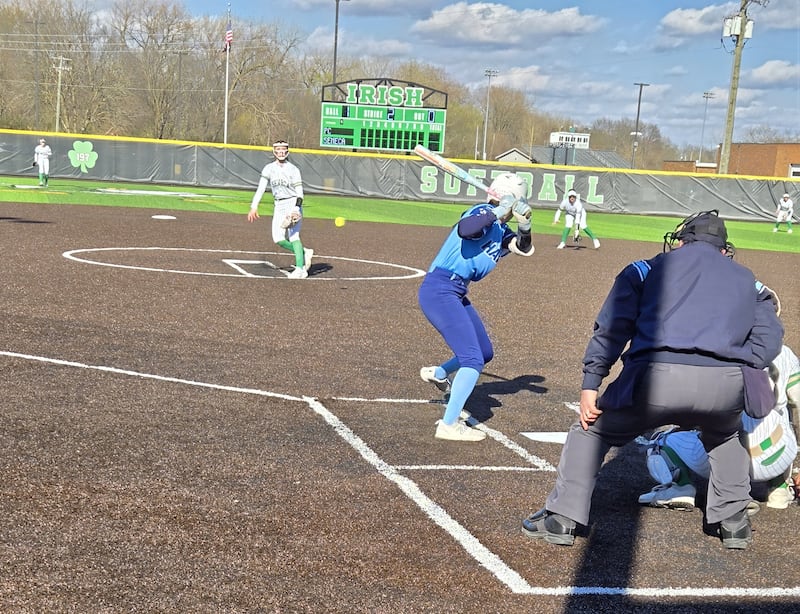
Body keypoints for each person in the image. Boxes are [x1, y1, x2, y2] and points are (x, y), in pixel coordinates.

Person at [522, 210, 784, 549]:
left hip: (655, 380)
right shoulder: (750, 281)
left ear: (680, 241)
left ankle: (562, 518)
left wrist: (591, 383)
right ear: (724, 250)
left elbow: (612, 329)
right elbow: (770, 337)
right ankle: (734, 523)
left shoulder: (644, 269)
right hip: (724, 386)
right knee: (725, 435)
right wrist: (736, 361)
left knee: (590, 431)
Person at [419, 172, 535, 441]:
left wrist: (525, 226)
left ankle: (439, 373)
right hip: (441, 289)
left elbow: (523, 248)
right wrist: (497, 212)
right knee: (471, 359)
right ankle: (448, 425)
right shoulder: (482, 212)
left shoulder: (499, 229)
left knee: (483, 352)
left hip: (456, 291)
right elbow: (465, 229)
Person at [638, 342, 799, 511]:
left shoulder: (713, 348)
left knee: (659, 443)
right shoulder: (784, 352)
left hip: (722, 463)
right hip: (777, 456)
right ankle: (779, 490)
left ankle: (680, 487)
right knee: (784, 415)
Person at [247, 140, 313, 279]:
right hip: (279, 205)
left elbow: (300, 192)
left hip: (292, 203)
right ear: (274, 152)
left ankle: (300, 269)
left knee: (294, 235)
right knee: (278, 239)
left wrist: (296, 208)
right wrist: (254, 206)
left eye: (284, 150)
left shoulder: (294, 170)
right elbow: (261, 189)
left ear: (287, 152)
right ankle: (303, 252)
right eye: (278, 150)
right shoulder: (269, 168)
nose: (281, 152)